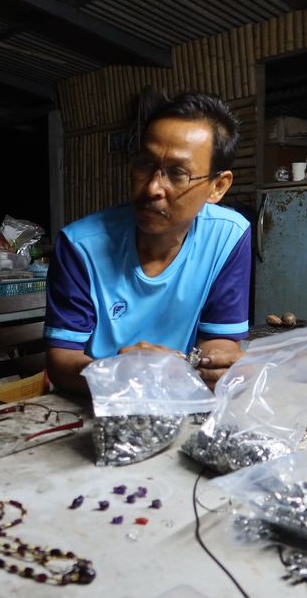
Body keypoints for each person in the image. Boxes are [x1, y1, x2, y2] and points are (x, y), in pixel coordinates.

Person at [44, 91, 251, 396]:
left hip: (176, 397)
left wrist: (213, 365)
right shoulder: (80, 246)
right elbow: (61, 360)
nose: (153, 187)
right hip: (96, 401)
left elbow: (218, 339)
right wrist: (118, 373)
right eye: (145, 164)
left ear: (217, 187)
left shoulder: (229, 236)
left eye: (177, 173)